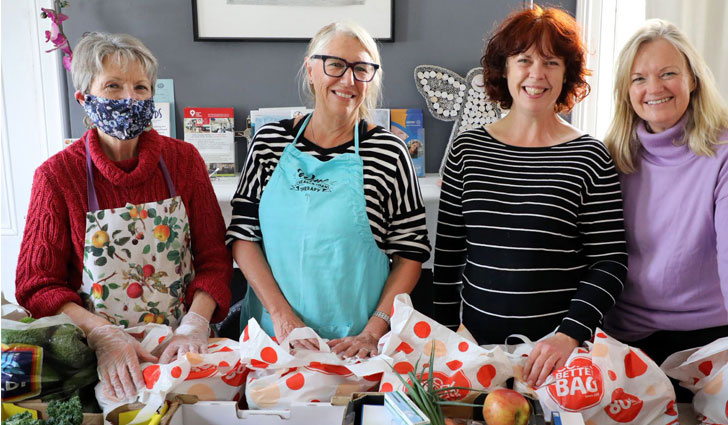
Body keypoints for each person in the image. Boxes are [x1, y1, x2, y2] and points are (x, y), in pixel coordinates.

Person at [15, 32, 232, 402]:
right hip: (101, 359)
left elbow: (214, 259)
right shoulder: (56, 177)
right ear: (84, 98)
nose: (129, 99)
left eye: (141, 87)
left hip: (183, 349)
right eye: (113, 87)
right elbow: (37, 284)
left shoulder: (184, 161)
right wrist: (103, 336)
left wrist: (196, 324)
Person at [432, 6, 627, 388]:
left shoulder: (590, 156)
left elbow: (610, 261)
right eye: (524, 60)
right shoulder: (467, 150)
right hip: (474, 353)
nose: (536, 74)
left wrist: (569, 334)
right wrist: (448, 335)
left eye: (551, 62)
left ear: (567, 73)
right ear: (504, 69)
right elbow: (449, 256)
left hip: (559, 358)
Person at [602, 19, 728, 417]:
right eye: (639, 79)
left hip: (705, 344)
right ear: (626, 92)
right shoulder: (613, 155)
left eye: (669, 74)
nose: (654, 88)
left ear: (693, 80)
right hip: (623, 342)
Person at [227, 21, 430, 358]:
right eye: (335, 65)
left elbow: (410, 253)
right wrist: (282, 317)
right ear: (310, 70)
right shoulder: (269, 143)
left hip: (355, 347)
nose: (348, 80)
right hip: (273, 341)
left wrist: (373, 331)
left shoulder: (389, 153)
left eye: (361, 68)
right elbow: (243, 236)